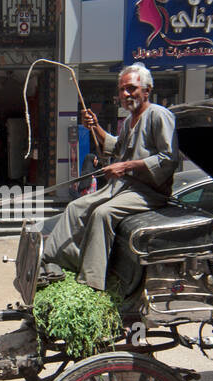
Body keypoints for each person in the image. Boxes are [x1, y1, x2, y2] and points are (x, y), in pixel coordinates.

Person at [42, 64, 180, 292]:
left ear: (147, 91)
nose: (126, 94)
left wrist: (125, 166)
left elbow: (168, 158)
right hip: (122, 188)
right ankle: (55, 260)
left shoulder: (158, 115)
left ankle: (92, 282)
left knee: (102, 214)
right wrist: (95, 126)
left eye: (131, 88)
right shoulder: (129, 121)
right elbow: (116, 147)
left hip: (148, 192)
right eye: (122, 89)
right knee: (76, 207)